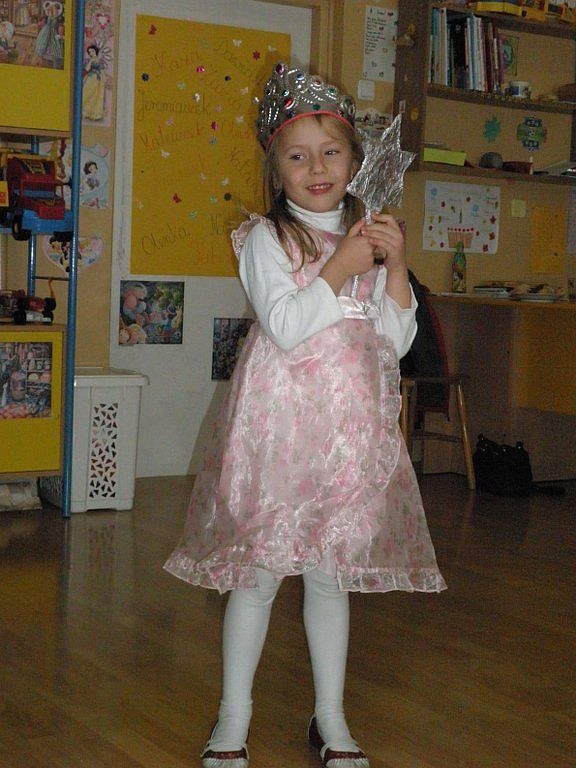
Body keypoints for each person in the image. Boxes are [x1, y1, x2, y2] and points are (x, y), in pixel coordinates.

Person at [164, 62, 447, 768]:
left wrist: (395, 268)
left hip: (345, 439)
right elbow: (287, 326)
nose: (317, 168)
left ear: (354, 159)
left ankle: (331, 719)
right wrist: (340, 264)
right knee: (259, 576)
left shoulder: (367, 234)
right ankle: (233, 720)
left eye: (331, 152)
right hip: (280, 436)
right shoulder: (266, 238)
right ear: (276, 167)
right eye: (297, 156)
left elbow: (395, 341)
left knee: (328, 575)